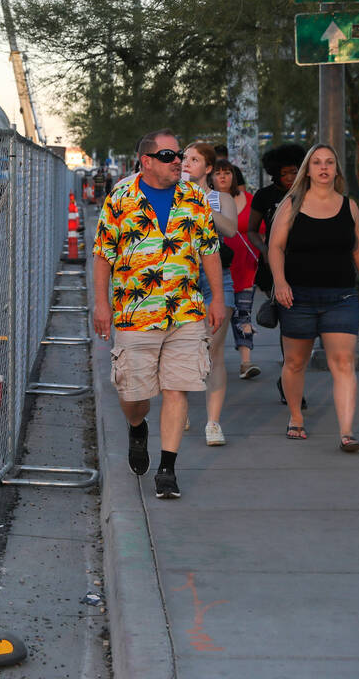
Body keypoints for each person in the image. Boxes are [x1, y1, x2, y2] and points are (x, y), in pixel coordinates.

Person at [93, 129, 224, 499]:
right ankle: (137, 425)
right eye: (168, 156)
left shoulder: (194, 197)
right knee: (133, 394)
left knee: (176, 388)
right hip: (135, 313)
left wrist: (216, 300)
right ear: (146, 161)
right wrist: (101, 304)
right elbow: (103, 254)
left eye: (179, 154)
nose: (178, 161)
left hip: (185, 311)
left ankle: (167, 469)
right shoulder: (121, 197)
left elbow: (210, 249)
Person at [267, 145, 359, 451]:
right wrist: (280, 282)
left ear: (337, 170)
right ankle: (295, 417)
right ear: (308, 169)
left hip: (340, 296)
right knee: (295, 362)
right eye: (317, 162)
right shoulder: (291, 204)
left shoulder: (349, 206)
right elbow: (275, 247)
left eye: (329, 162)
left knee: (343, 363)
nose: (324, 167)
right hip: (297, 298)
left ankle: (346, 432)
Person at [180, 143, 240, 446]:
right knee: (185, 349)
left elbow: (230, 229)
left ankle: (213, 423)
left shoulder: (220, 198)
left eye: (194, 160)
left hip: (216, 278)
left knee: (212, 350)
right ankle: (180, 409)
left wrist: (202, 203)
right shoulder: (172, 195)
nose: (186, 163)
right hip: (181, 279)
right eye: (184, 158)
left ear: (207, 168)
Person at [247, 143, 307, 406]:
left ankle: (290, 377)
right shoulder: (264, 196)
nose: (292, 177)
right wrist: (266, 250)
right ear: (275, 174)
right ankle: (289, 383)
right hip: (276, 269)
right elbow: (252, 230)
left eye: (295, 171)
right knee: (290, 325)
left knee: (304, 330)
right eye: (286, 173)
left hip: (307, 266)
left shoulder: (309, 194)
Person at [212, 158, 261, 379]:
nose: (223, 176)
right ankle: (210, 360)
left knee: (244, 314)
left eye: (227, 172)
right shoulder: (207, 201)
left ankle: (246, 362)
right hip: (216, 269)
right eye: (218, 173)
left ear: (234, 176)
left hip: (245, 267)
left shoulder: (249, 201)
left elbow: (260, 231)